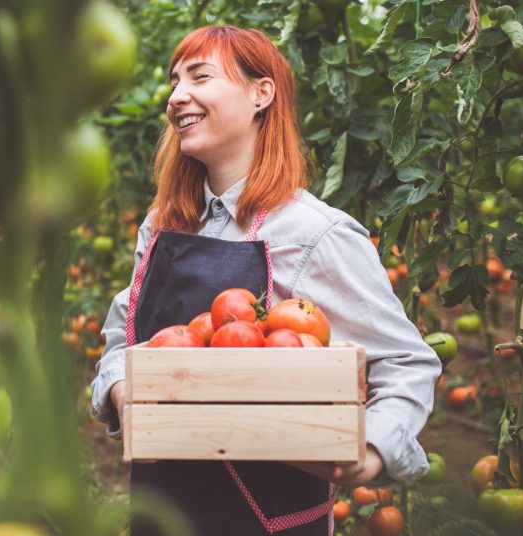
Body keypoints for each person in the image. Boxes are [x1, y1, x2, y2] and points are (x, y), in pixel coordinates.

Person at [90, 25, 441, 535]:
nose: (176, 96)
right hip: (161, 513)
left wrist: (372, 449)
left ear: (262, 93)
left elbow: (407, 361)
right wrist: (124, 389)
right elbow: (122, 342)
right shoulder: (164, 224)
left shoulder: (313, 233)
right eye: (173, 81)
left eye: (199, 76)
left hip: (265, 521)